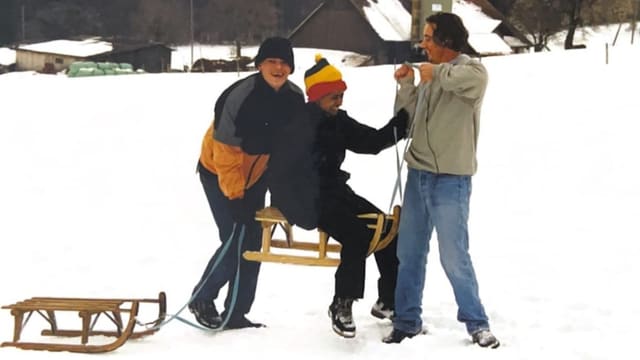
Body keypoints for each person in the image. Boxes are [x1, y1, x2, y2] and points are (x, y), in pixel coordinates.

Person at [382, 13, 500, 348]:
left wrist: (437, 74)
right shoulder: (431, 77)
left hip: (451, 181)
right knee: (410, 252)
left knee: (454, 255)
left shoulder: (472, 71)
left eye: (429, 37)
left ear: (447, 41)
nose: (423, 44)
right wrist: (407, 84)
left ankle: (477, 323)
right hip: (418, 174)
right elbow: (406, 117)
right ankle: (406, 321)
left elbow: (466, 80)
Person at [190, 37, 306, 330]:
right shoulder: (239, 97)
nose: (278, 68)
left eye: (284, 63)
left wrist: (286, 193)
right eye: (272, 62)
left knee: (253, 242)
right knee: (234, 238)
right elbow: (226, 153)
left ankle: (236, 312)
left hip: (257, 176)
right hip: (218, 173)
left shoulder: (294, 97)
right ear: (259, 65)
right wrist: (234, 196)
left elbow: (291, 149)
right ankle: (202, 298)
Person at [302, 54, 409, 338]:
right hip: (308, 198)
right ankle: (342, 303)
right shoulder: (297, 125)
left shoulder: (339, 121)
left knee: (388, 227)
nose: (339, 101)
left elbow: (370, 142)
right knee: (357, 235)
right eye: (333, 96)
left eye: (341, 95)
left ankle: (388, 300)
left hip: (336, 191)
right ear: (316, 97)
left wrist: (399, 126)